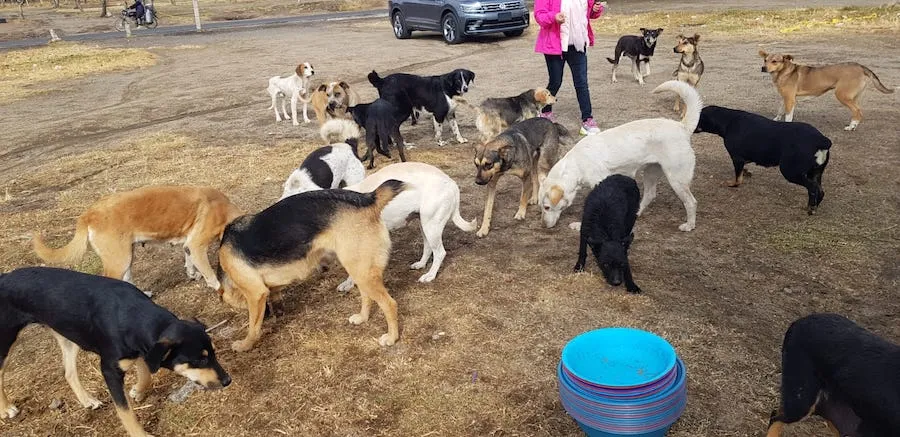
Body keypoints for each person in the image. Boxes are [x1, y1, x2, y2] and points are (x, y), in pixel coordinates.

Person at [534, 0, 605, 135]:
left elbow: (589, 13)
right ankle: (545, 111)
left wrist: (596, 9)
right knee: (555, 81)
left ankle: (587, 120)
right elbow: (539, 16)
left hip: (578, 44)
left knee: (582, 83)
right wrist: (554, 17)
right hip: (555, 45)